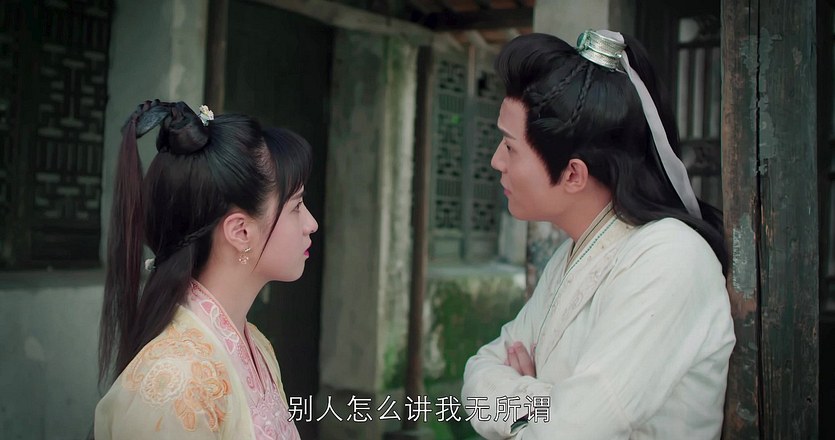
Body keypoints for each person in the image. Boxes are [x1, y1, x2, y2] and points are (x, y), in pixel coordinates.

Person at [461, 30, 735, 439]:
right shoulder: (570, 256)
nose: (496, 160)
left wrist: (525, 398)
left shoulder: (671, 258)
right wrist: (545, 402)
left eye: (510, 147)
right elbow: (478, 376)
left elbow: (573, 430)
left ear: (573, 174)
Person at [95, 100, 318, 439]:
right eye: (297, 206)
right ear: (240, 231)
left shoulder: (257, 347)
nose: (311, 224)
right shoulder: (175, 382)